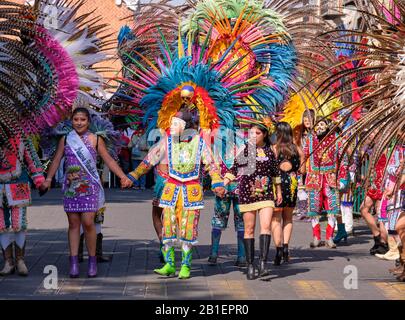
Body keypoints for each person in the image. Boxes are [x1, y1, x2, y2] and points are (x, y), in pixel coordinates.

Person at [127, 109, 225, 279]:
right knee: (168, 227)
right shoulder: (166, 142)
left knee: (188, 229)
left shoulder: (199, 144)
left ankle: (186, 266)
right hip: (171, 190)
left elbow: (211, 164)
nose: (170, 127)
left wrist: (217, 181)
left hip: (191, 191)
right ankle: (170, 264)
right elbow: (149, 160)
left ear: (185, 126)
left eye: (174, 124)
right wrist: (133, 175)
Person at [40, 107, 132, 278]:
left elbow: (108, 159)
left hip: (90, 186)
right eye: (76, 119)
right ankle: (73, 262)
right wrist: (48, 179)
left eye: (82, 120)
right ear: (72, 121)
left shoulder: (96, 139)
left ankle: (92, 261)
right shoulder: (66, 139)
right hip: (71, 187)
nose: (79, 123)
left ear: (88, 121)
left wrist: (122, 176)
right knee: (73, 224)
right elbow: (57, 159)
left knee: (88, 223)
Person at [224, 123, 282, 280]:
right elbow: (233, 169)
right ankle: (250, 264)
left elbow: (276, 173)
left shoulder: (270, 152)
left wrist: (279, 191)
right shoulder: (246, 151)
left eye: (257, 133)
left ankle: (263, 263)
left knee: (266, 227)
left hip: (266, 194)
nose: (253, 136)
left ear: (264, 134)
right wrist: (223, 183)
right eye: (251, 133)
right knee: (249, 229)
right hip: (247, 193)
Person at [0, 136, 45, 276]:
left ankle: (20, 260)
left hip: (18, 182)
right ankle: (8, 261)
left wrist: (39, 180)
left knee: (19, 222)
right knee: (0, 224)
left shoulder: (22, 136)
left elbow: (32, 159)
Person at [208, 129, 246, 267]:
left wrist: (217, 184)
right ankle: (240, 256)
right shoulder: (246, 143)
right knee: (240, 221)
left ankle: (214, 253)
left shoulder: (217, 144)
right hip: (238, 187)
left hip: (226, 186)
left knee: (219, 219)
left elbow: (213, 166)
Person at [304, 118, 344, 249]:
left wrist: (342, 177)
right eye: (317, 125)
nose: (319, 128)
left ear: (328, 127)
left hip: (331, 178)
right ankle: (316, 237)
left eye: (322, 125)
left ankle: (329, 237)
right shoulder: (310, 139)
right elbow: (304, 157)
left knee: (332, 208)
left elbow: (344, 160)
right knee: (314, 209)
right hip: (314, 178)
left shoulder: (336, 140)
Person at [271, 122, 304, 264]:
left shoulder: (274, 149)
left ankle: (278, 249)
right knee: (288, 218)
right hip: (292, 183)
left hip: (276, 185)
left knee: (276, 219)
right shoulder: (297, 149)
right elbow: (302, 171)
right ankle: (285, 247)